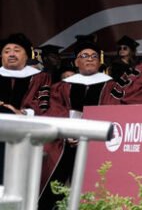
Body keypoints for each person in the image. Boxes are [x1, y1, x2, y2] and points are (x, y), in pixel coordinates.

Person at [39, 39, 119, 208]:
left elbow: (113, 110)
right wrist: (68, 132)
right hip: (65, 140)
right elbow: (55, 109)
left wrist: (86, 132)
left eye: (94, 56)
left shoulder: (111, 85)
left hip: (97, 141)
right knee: (55, 179)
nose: (90, 59)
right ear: (76, 62)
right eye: (84, 56)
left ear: (100, 61)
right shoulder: (62, 86)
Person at [0, 33, 52, 115]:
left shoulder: (40, 77)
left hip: (27, 124)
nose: (11, 54)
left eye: (17, 51)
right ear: (1, 56)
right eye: (7, 51)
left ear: (26, 56)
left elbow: (44, 104)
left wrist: (23, 113)